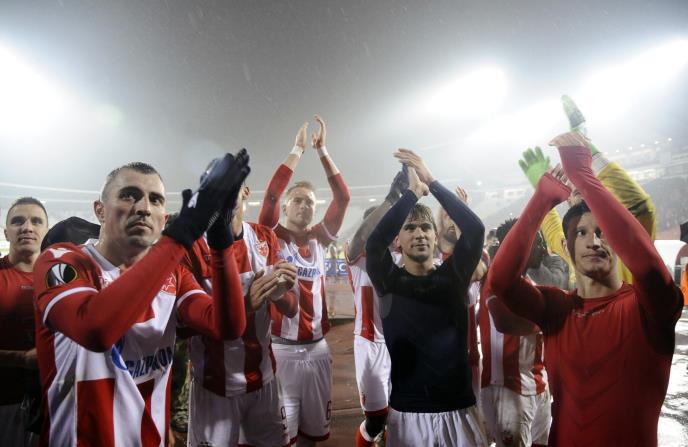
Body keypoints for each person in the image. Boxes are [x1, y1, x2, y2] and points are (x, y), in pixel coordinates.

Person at [33, 154, 251, 446]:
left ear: (164, 218)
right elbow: (96, 330)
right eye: (129, 195)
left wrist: (221, 241)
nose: (144, 208)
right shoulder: (62, 261)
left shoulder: (174, 275)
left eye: (155, 200)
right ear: (100, 210)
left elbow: (227, 327)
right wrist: (183, 232)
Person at [487, 132, 683, 446]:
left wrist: (583, 175)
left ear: (617, 242)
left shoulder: (648, 309)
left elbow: (647, 264)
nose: (593, 241)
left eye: (603, 232)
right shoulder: (556, 308)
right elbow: (501, 280)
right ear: (566, 246)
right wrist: (542, 198)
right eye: (581, 233)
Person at [366, 149, 488, 447]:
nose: (419, 234)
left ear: (435, 236)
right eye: (409, 228)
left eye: (425, 227)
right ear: (397, 240)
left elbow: (475, 230)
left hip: (459, 410)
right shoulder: (389, 282)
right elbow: (374, 244)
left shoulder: (454, 276)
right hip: (408, 416)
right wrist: (411, 194)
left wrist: (431, 182)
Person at [259, 116, 350, 445]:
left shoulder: (320, 237)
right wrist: (297, 150)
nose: (303, 205)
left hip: (318, 350)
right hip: (281, 351)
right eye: (297, 200)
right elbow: (271, 195)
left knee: (313, 437)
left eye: (309, 202)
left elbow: (342, 197)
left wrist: (323, 151)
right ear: (286, 206)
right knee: (282, 438)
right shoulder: (270, 235)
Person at [188, 184, 299, 447]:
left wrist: (279, 293)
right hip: (215, 386)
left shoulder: (265, 237)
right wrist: (246, 304)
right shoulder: (193, 247)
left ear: (246, 191)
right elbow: (185, 326)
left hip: (264, 379)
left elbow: (292, 307)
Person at [519, 95, 656, 288]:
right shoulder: (573, 243)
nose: (593, 243)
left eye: (587, 191)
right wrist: (542, 193)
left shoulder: (619, 238)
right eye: (576, 192)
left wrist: (589, 151)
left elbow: (640, 206)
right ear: (569, 202)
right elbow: (553, 232)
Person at [345, 169, 408, 446]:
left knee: (403, 415)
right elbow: (360, 239)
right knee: (376, 420)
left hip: (402, 344)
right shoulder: (359, 257)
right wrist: (391, 199)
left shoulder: (402, 257)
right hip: (370, 344)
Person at [479, 219, 551, 447]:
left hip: (537, 384)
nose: (543, 247)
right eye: (537, 242)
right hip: (508, 388)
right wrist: (548, 322)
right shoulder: (494, 281)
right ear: (519, 245)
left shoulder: (529, 283)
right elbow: (504, 322)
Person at [0, 197, 49, 446]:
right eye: (18, 221)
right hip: (4, 402)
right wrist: (20, 359)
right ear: (6, 232)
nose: (27, 227)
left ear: (46, 231)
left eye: (36, 221)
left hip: (52, 403)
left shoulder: (64, 279)